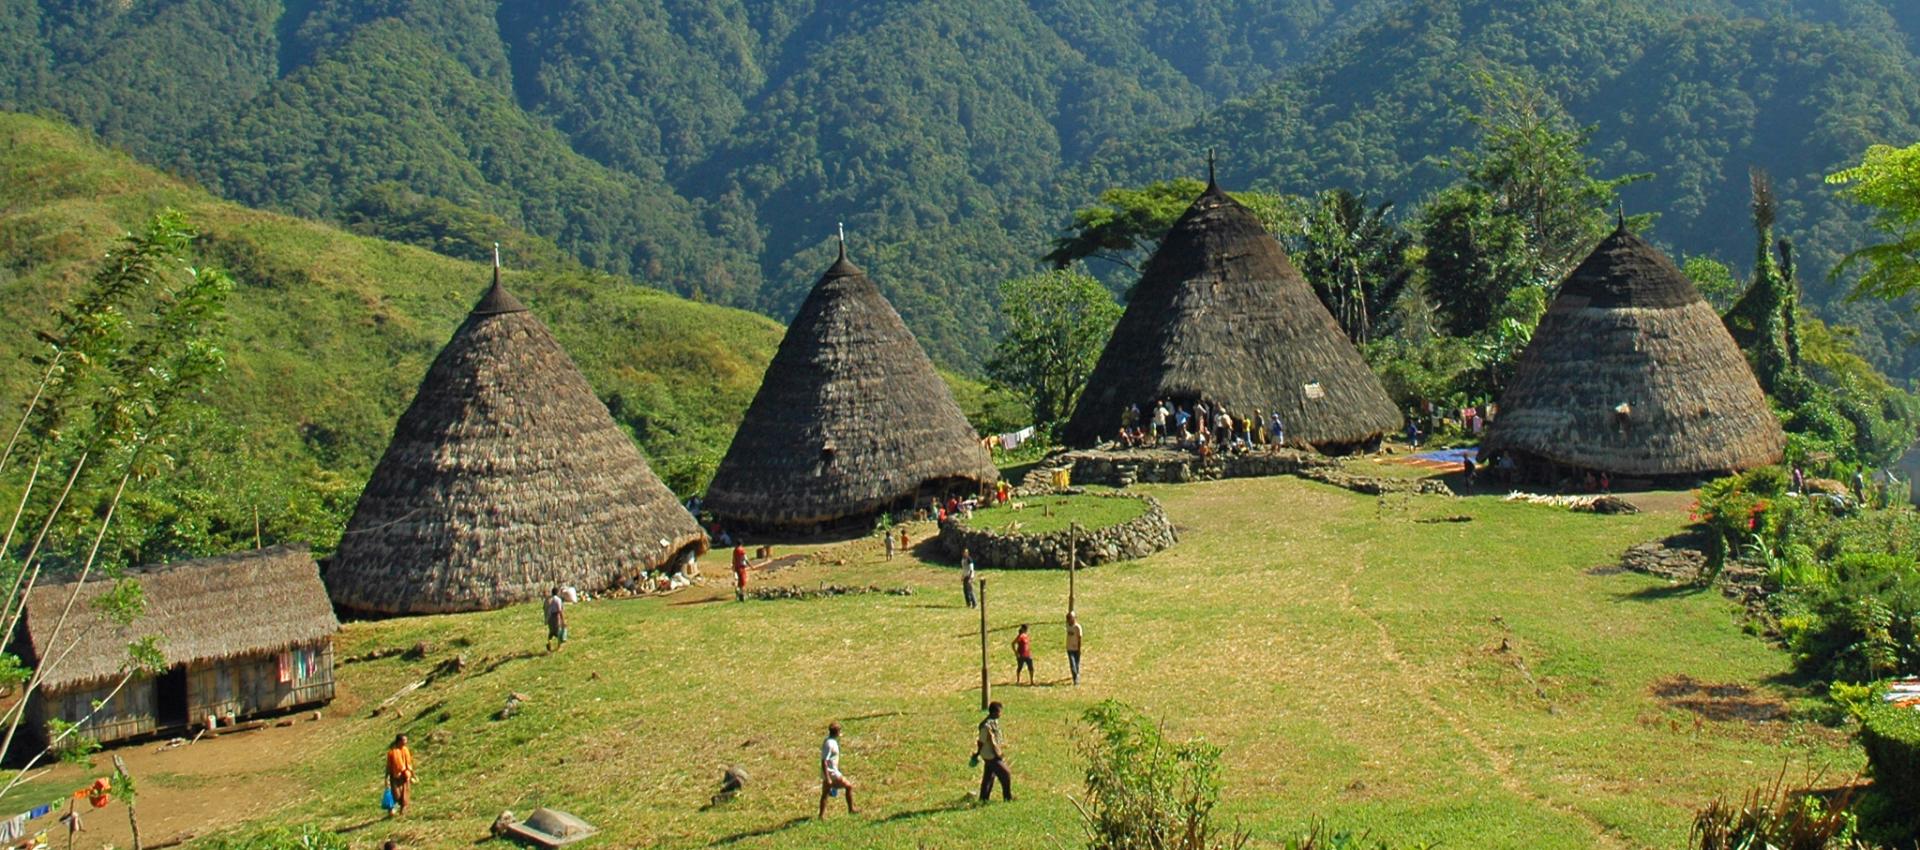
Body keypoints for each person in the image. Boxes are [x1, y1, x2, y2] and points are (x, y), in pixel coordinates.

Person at [974, 701, 1011, 801]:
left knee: (989, 776)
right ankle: (1007, 797)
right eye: (999, 712)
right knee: (1006, 774)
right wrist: (977, 753)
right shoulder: (986, 726)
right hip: (990, 755)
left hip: (992, 754)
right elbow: (981, 742)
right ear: (994, 712)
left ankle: (983, 799)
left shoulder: (993, 722)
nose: (1000, 714)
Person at [818, 722, 857, 817]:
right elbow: (824, 761)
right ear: (837, 732)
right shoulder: (829, 744)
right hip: (832, 773)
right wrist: (828, 778)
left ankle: (821, 815)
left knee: (825, 794)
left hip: (829, 772)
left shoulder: (830, 741)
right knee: (849, 786)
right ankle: (851, 809)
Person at [385, 734, 414, 817]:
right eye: (404, 740)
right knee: (396, 795)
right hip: (395, 776)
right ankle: (391, 809)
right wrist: (386, 777)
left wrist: (412, 774)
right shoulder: (392, 752)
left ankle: (402, 811)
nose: (405, 742)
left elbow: (409, 763)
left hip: (405, 776)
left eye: (406, 740)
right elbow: (388, 766)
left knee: (405, 795)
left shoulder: (406, 750)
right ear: (398, 741)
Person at [544, 587, 567, 652]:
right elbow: (560, 610)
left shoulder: (548, 599)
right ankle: (559, 647)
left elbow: (545, 609)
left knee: (551, 632)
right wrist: (563, 620)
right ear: (557, 592)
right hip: (556, 617)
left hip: (550, 617)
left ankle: (549, 642)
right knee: (558, 633)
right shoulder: (558, 600)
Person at [1065, 612, 1083, 685]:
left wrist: (1079, 648)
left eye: (1070, 618)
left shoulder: (1077, 627)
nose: (1069, 620)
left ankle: (1077, 676)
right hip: (1069, 648)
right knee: (1072, 664)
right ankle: (1076, 679)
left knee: (1076, 664)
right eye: (1068, 619)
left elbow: (1079, 638)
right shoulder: (1067, 626)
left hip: (1076, 648)